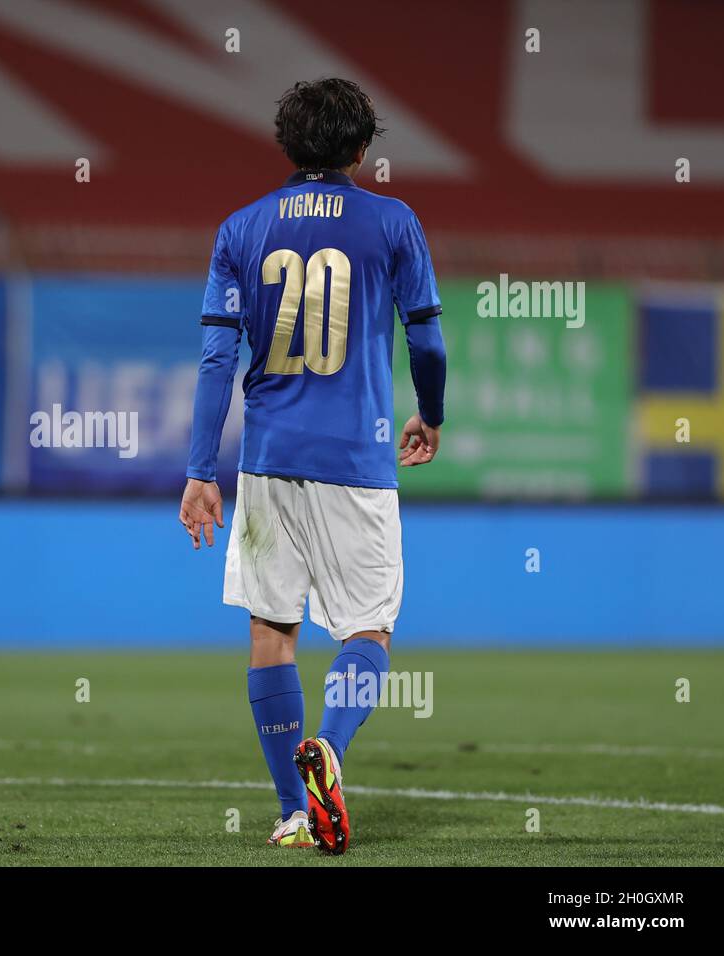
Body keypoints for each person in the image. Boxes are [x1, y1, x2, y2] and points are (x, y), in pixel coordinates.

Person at [179, 78, 447, 854]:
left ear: (286, 146)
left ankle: (295, 810)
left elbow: (215, 359)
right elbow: (425, 339)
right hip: (356, 458)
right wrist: (429, 413)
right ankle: (329, 744)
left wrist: (203, 470)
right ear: (362, 149)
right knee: (369, 627)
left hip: (267, 461)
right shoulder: (393, 221)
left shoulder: (241, 228)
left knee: (271, 628)